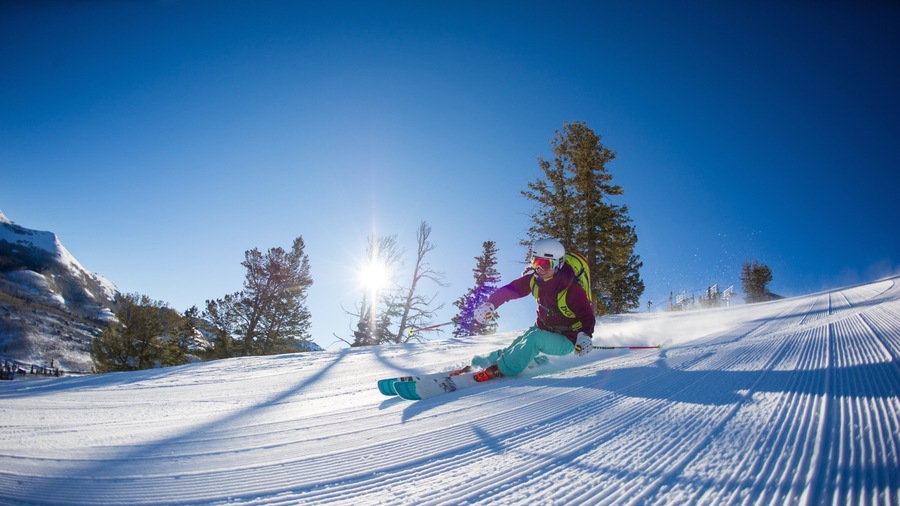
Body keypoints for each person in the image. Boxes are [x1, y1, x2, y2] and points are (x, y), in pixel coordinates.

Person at [470, 238, 595, 382]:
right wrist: (490, 304)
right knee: (521, 342)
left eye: (546, 264)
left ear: (558, 264)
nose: (540, 269)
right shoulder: (534, 280)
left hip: (567, 338)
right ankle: (492, 360)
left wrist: (585, 336)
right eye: (536, 262)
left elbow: (588, 317)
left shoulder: (572, 291)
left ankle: (502, 369)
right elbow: (509, 290)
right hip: (543, 329)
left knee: (534, 340)